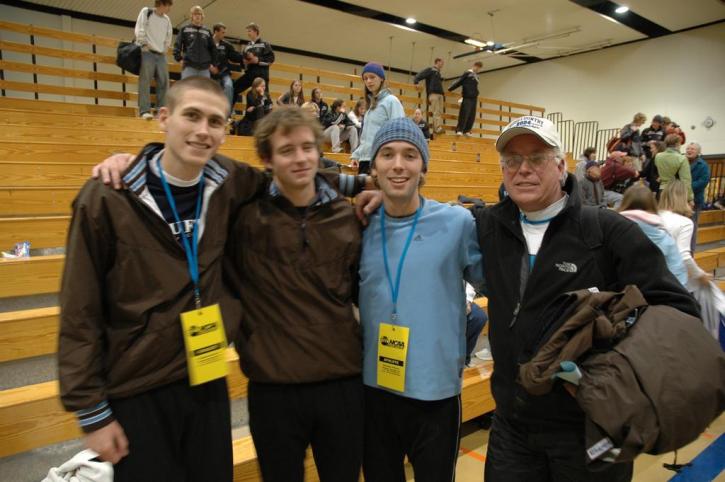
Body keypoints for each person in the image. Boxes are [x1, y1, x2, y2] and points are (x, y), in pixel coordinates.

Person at [58, 77, 267, 481]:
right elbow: (78, 310)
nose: (203, 131)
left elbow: (294, 177)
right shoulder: (105, 197)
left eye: (215, 121)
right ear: (163, 119)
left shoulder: (228, 181)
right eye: (192, 116)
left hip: (205, 379)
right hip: (136, 388)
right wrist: (92, 412)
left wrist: (366, 185)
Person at [469, 115, 699, 482]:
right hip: (513, 426)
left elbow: (677, 312)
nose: (523, 170)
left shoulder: (607, 232)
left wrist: (606, 368)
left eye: (537, 158)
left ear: (560, 165)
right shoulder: (487, 228)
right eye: (512, 160)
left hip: (592, 429)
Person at [226, 107, 367, 482]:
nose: (301, 158)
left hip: (341, 385)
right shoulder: (244, 219)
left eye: (308, 147)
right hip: (273, 390)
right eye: (287, 150)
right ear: (266, 158)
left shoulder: (347, 216)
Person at [358, 117, 484, 481]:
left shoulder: (457, 223)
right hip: (374, 390)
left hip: (436, 394)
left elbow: (497, 280)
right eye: (388, 154)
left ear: (423, 166)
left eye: (410, 155)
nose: (398, 164)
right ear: (374, 167)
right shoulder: (360, 224)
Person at [617, 185, 687, 286]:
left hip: (619, 295)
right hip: (657, 294)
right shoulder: (664, 238)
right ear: (652, 205)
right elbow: (678, 273)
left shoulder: (610, 230)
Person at [350, 62, 405, 174]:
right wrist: (356, 155)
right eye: (365, 78)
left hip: (382, 161)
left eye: (372, 77)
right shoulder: (369, 106)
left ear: (381, 79)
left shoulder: (391, 101)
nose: (368, 81)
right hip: (365, 161)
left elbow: (400, 132)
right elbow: (366, 137)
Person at [659, 180, 710, 287]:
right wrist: (700, 275)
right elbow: (683, 255)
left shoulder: (653, 216)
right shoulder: (685, 223)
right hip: (673, 278)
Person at [134, 0, 173, 120]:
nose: (169, 9)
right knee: (145, 81)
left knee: (164, 82)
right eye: (168, 6)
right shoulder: (147, 12)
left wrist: (165, 49)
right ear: (161, 4)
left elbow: (169, 35)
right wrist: (143, 44)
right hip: (147, 52)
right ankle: (144, 111)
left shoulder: (166, 19)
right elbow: (140, 28)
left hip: (161, 54)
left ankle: (161, 110)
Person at [173, 5, 217, 79]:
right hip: (189, 66)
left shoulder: (207, 31)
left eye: (199, 14)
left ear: (202, 16)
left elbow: (213, 48)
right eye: (195, 14)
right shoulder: (184, 29)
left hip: (205, 68)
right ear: (191, 16)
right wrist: (179, 59)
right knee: (186, 89)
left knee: (203, 90)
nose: (197, 16)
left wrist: (213, 63)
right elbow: (177, 45)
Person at [233, 22, 275, 99]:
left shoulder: (265, 44)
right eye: (248, 31)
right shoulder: (247, 47)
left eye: (250, 31)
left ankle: (266, 108)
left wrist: (258, 60)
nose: (248, 33)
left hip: (261, 75)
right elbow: (243, 65)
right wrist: (245, 63)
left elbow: (271, 59)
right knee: (234, 88)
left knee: (263, 98)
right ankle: (229, 108)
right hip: (250, 74)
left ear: (255, 31)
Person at [211, 22, 244, 109]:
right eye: (222, 32)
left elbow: (235, 56)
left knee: (229, 86)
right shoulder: (207, 43)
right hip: (209, 73)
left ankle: (226, 112)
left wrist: (245, 56)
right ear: (216, 32)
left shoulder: (227, 45)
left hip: (224, 72)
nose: (224, 34)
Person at [686, 142, 711, 252]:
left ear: (698, 152)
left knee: (691, 228)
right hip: (679, 200)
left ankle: (690, 252)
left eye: (692, 149)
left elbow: (703, 182)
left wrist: (686, 187)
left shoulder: (703, 165)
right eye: (688, 148)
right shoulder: (681, 161)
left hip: (694, 201)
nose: (689, 150)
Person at [448, 61, 482, 137]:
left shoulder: (476, 76)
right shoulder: (467, 74)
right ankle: (459, 129)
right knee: (464, 113)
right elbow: (459, 81)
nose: (477, 69)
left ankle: (467, 130)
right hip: (467, 97)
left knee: (471, 115)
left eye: (479, 68)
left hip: (474, 98)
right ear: (474, 66)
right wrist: (450, 88)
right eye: (477, 67)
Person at [655, 134, 693, 202]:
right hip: (675, 192)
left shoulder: (658, 156)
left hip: (662, 190)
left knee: (663, 212)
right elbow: (686, 180)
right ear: (677, 144)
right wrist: (689, 198)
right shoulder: (682, 158)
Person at [413, 57, 445, 135]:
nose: (443, 64)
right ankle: (437, 128)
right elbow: (420, 74)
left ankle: (436, 127)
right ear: (437, 62)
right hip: (433, 93)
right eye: (442, 62)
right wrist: (416, 81)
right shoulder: (431, 70)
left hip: (440, 94)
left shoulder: (438, 72)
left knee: (439, 111)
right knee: (436, 111)